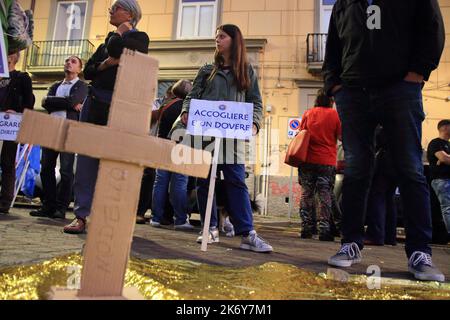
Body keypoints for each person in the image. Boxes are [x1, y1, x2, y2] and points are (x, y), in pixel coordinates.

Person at [323, 0, 445, 282]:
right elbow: (333, 45)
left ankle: (419, 252)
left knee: (410, 168)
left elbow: (433, 28)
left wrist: (418, 72)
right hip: (352, 91)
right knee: (355, 169)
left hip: (399, 88)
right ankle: (350, 243)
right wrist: (334, 83)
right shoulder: (345, 2)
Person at [175, 24, 273, 252]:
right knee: (204, 181)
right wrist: (185, 112)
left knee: (236, 181)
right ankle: (208, 228)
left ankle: (247, 234)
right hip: (205, 136)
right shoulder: (206, 69)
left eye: (221, 36)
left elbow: (255, 102)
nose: (217, 40)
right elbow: (192, 96)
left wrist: (255, 123)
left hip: (234, 138)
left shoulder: (247, 71)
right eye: (216, 37)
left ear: (234, 40)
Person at [63, 0, 149, 234]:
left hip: (120, 106)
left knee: (115, 162)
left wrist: (119, 36)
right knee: (86, 160)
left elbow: (115, 49)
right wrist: (107, 64)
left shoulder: (140, 38)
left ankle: (110, 219)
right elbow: (89, 70)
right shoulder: (107, 41)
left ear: (129, 13)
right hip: (94, 103)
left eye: (115, 8)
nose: (110, 11)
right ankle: (81, 216)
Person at [29, 56, 88, 220]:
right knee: (46, 168)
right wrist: (63, 102)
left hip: (69, 131)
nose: (68, 63)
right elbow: (45, 103)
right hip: (51, 129)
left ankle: (61, 208)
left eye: (73, 61)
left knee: (66, 170)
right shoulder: (55, 85)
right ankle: (48, 205)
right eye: (67, 61)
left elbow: (72, 101)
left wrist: (55, 101)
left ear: (79, 69)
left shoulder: (82, 86)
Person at [297, 89, 342, 242]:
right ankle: (324, 230)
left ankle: (306, 228)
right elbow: (341, 136)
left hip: (307, 159)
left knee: (306, 193)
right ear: (331, 101)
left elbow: (300, 133)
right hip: (326, 161)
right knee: (324, 195)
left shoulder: (308, 113)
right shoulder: (335, 115)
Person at [150, 79, 194, 230]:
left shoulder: (165, 105)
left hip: (162, 145)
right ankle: (180, 219)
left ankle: (156, 217)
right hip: (181, 147)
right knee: (179, 183)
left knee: (160, 182)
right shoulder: (189, 109)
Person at [0, 51, 34, 214]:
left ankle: (4, 201)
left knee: (7, 161)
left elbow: (29, 102)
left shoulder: (21, 78)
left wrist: (18, 112)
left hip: (10, 125)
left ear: (10, 58)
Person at [364, 126, 398, 246]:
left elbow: (375, 142)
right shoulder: (402, 123)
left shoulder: (382, 127)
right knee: (390, 199)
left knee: (377, 198)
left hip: (384, 164)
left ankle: (376, 235)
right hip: (397, 164)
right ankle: (390, 236)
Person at [427, 119, 450, 236]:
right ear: (445, 128)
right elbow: (444, 158)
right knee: (448, 208)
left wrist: (446, 158)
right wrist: (444, 159)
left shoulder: (448, 145)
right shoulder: (435, 143)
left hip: (446, 180)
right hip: (442, 180)